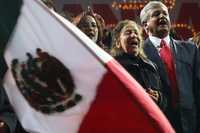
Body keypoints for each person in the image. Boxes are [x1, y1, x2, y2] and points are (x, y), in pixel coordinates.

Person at [140, 1, 200, 133]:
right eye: (156, 14)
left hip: (191, 122)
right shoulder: (140, 54)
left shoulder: (190, 50)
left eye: (165, 14)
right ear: (145, 25)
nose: (162, 16)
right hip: (159, 122)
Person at [111, 20, 167, 111]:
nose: (134, 35)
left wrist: (159, 98)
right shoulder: (114, 67)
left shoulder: (151, 66)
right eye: (128, 32)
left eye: (136, 33)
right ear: (118, 42)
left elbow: (165, 99)